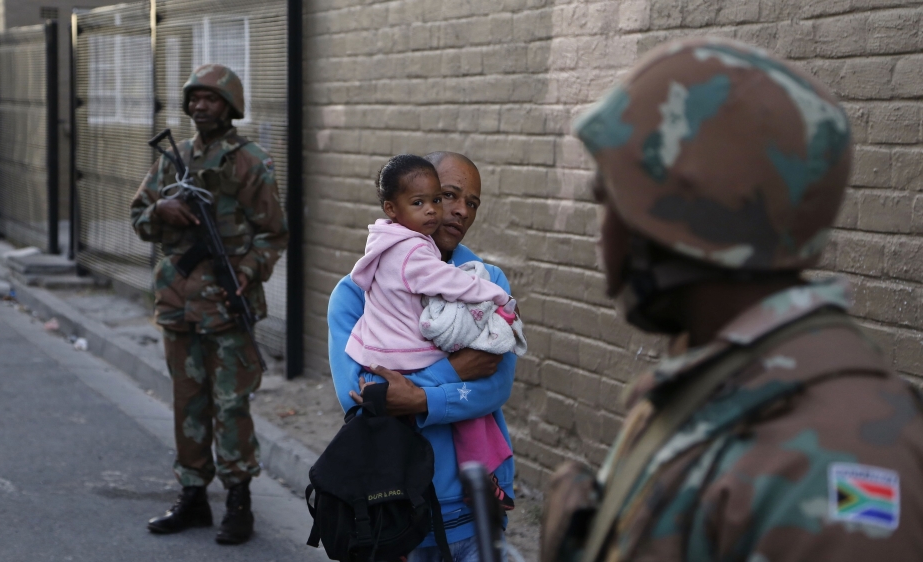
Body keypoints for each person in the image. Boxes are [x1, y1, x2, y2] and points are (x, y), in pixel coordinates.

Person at [540, 37, 923, 562]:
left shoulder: (839, 461)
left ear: (669, 222)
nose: (601, 233)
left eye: (609, 202)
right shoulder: (716, 383)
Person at [329, 152, 517, 562]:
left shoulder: (487, 282)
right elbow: (360, 398)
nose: (459, 210)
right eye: (447, 195)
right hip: (397, 505)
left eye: (472, 203)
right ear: (399, 206)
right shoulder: (356, 293)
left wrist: (415, 397)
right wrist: (451, 372)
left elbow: (495, 385)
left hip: (475, 504)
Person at [130, 63, 287, 545]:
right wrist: (161, 209)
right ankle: (193, 495)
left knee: (231, 404)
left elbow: (273, 234)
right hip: (179, 302)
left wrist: (246, 271)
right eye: (195, 98)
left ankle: (239, 500)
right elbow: (139, 217)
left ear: (230, 106)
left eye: (211, 99)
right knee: (187, 402)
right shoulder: (172, 160)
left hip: (226, 302)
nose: (200, 106)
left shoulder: (250, 162)